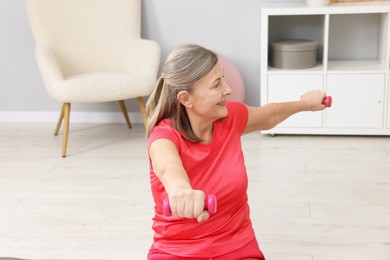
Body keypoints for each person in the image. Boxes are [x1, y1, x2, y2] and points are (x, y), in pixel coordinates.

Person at [145, 44, 327, 260]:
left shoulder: (229, 118)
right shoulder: (163, 138)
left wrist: (305, 104)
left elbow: (270, 114)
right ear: (186, 98)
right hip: (177, 249)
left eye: (223, 78)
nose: (228, 89)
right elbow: (168, 168)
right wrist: (181, 191)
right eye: (216, 84)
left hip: (235, 244)